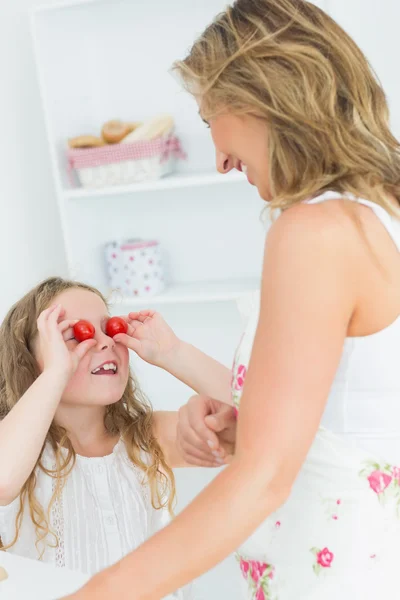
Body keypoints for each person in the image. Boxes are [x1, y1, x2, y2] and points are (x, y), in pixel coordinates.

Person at [64, 0, 400, 598]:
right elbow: (342, 417)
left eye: (208, 116)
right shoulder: (382, 213)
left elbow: (266, 476)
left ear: (257, 100)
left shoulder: (313, 234)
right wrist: (229, 403)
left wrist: (99, 593)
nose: (219, 159)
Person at [0, 277, 236, 598]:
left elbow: (263, 423)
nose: (105, 342)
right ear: (29, 361)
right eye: (73, 335)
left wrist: (174, 352)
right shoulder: (17, 449)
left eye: (109, 330)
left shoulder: (147, 438)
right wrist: (57, 371)